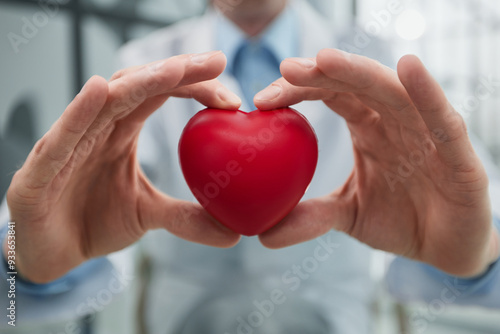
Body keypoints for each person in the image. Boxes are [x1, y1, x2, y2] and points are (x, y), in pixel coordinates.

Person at [1, 0, 500, 333]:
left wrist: (483, 255)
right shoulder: (147, 62)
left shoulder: (373, 58)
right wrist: (20, 260)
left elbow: (472, 192)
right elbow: (95, 206)